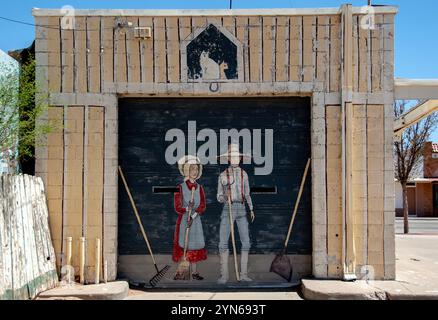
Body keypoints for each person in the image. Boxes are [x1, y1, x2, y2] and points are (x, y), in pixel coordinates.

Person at [217, 143, 255, 284]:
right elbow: (218, 197)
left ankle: (243, 274)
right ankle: (224, 276)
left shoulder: (244, 174)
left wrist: (251, 208)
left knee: (246, 243)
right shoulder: (222, 175)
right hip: (228, 208)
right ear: (228, 159)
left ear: (239, 158)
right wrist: (225, 197)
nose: (235, 159)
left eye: (237, 157)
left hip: (241, 208)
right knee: (223, 243)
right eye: (232, 157)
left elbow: (248, 193)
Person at [172, 155, 207, 280]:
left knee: (194, 246)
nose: (195, 171)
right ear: (187, 170)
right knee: (184, 245)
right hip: (184, 221)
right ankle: (181, 272)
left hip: (195, 220)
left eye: (196, 169)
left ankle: (195, 272)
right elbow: (177, 207)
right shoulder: (180, 187)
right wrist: (187, 209)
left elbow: (202, 205)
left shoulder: (200, 188)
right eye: (192, 169)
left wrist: (194, 215)